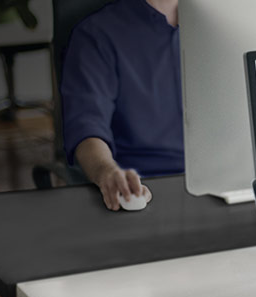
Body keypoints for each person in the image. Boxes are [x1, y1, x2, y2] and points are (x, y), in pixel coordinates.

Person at [61, 0, 182, 210]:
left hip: (227, 181)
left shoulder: (226, 24)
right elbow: (87, 127)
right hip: (143, 187)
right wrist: (106, 170)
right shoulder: (97, 34)